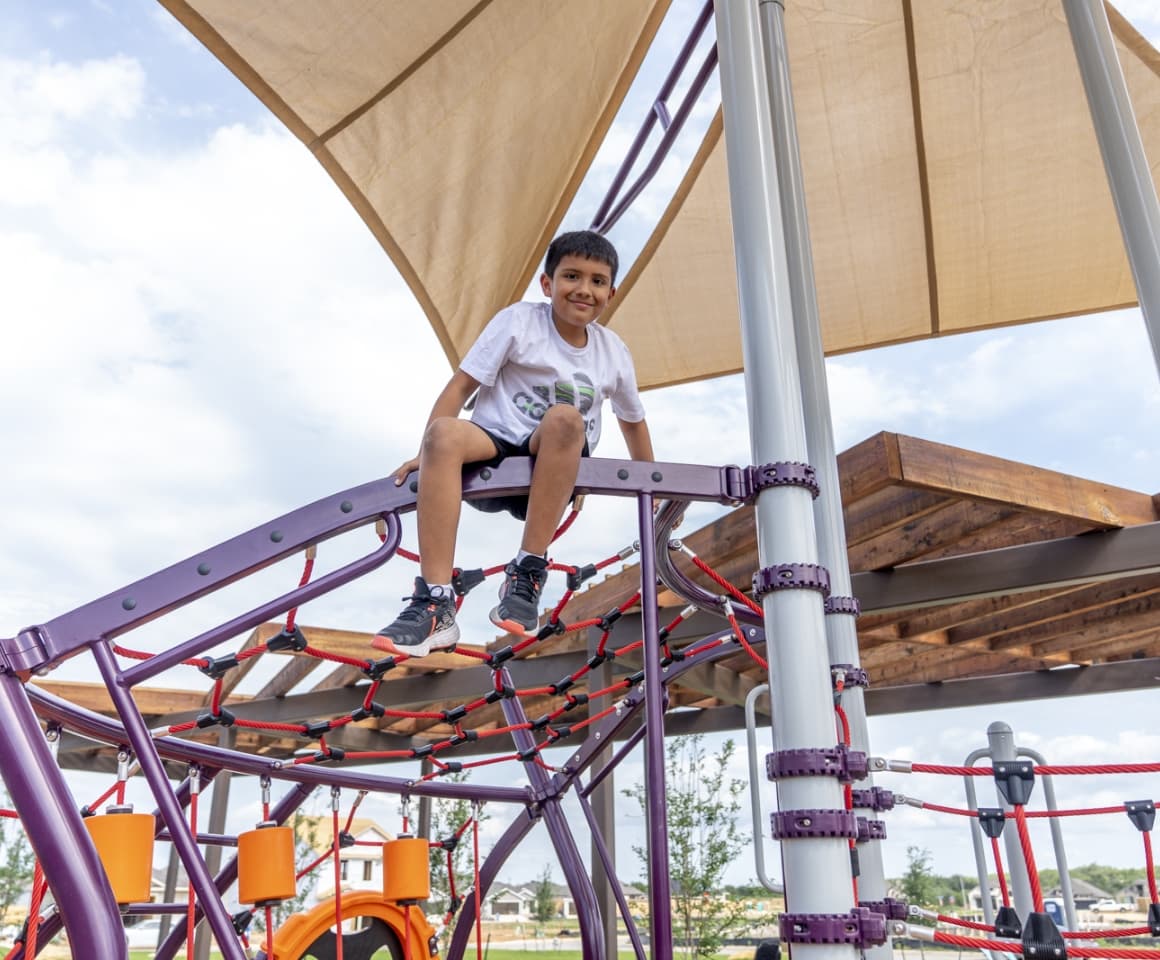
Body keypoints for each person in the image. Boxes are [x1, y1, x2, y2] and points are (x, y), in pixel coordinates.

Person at [373, 230, 654, 658]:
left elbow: (633, 421)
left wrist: (648, 480)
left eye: (597, 281)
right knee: (445, 433)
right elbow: (460, 386)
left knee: (564, 418)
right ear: (547, 284)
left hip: (553, 461)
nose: (584, 289)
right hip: (497, 443)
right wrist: (425, 452)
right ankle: (434, 601)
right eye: (572, 276)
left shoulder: (612, 351)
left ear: (611, 292)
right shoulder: (520, 321)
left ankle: (527, 568)